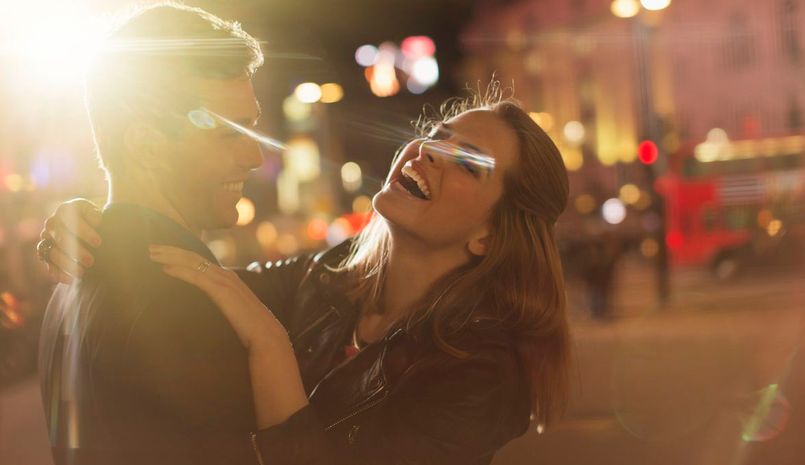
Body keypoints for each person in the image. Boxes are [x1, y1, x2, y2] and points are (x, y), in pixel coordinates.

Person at [40, 15, 572, 465]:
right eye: (437, 137)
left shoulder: (480, 374)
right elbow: (192, 278)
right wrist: (95, 219)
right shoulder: (325, 279)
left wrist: (270, 345)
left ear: (489, 234)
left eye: (466, 165)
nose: (428, 152)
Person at [37, 4, 268, 464]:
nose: (255, 156)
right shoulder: (183, 302)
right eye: (228, 134)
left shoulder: (72, 288)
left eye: (253, 128)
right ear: (145, 144)